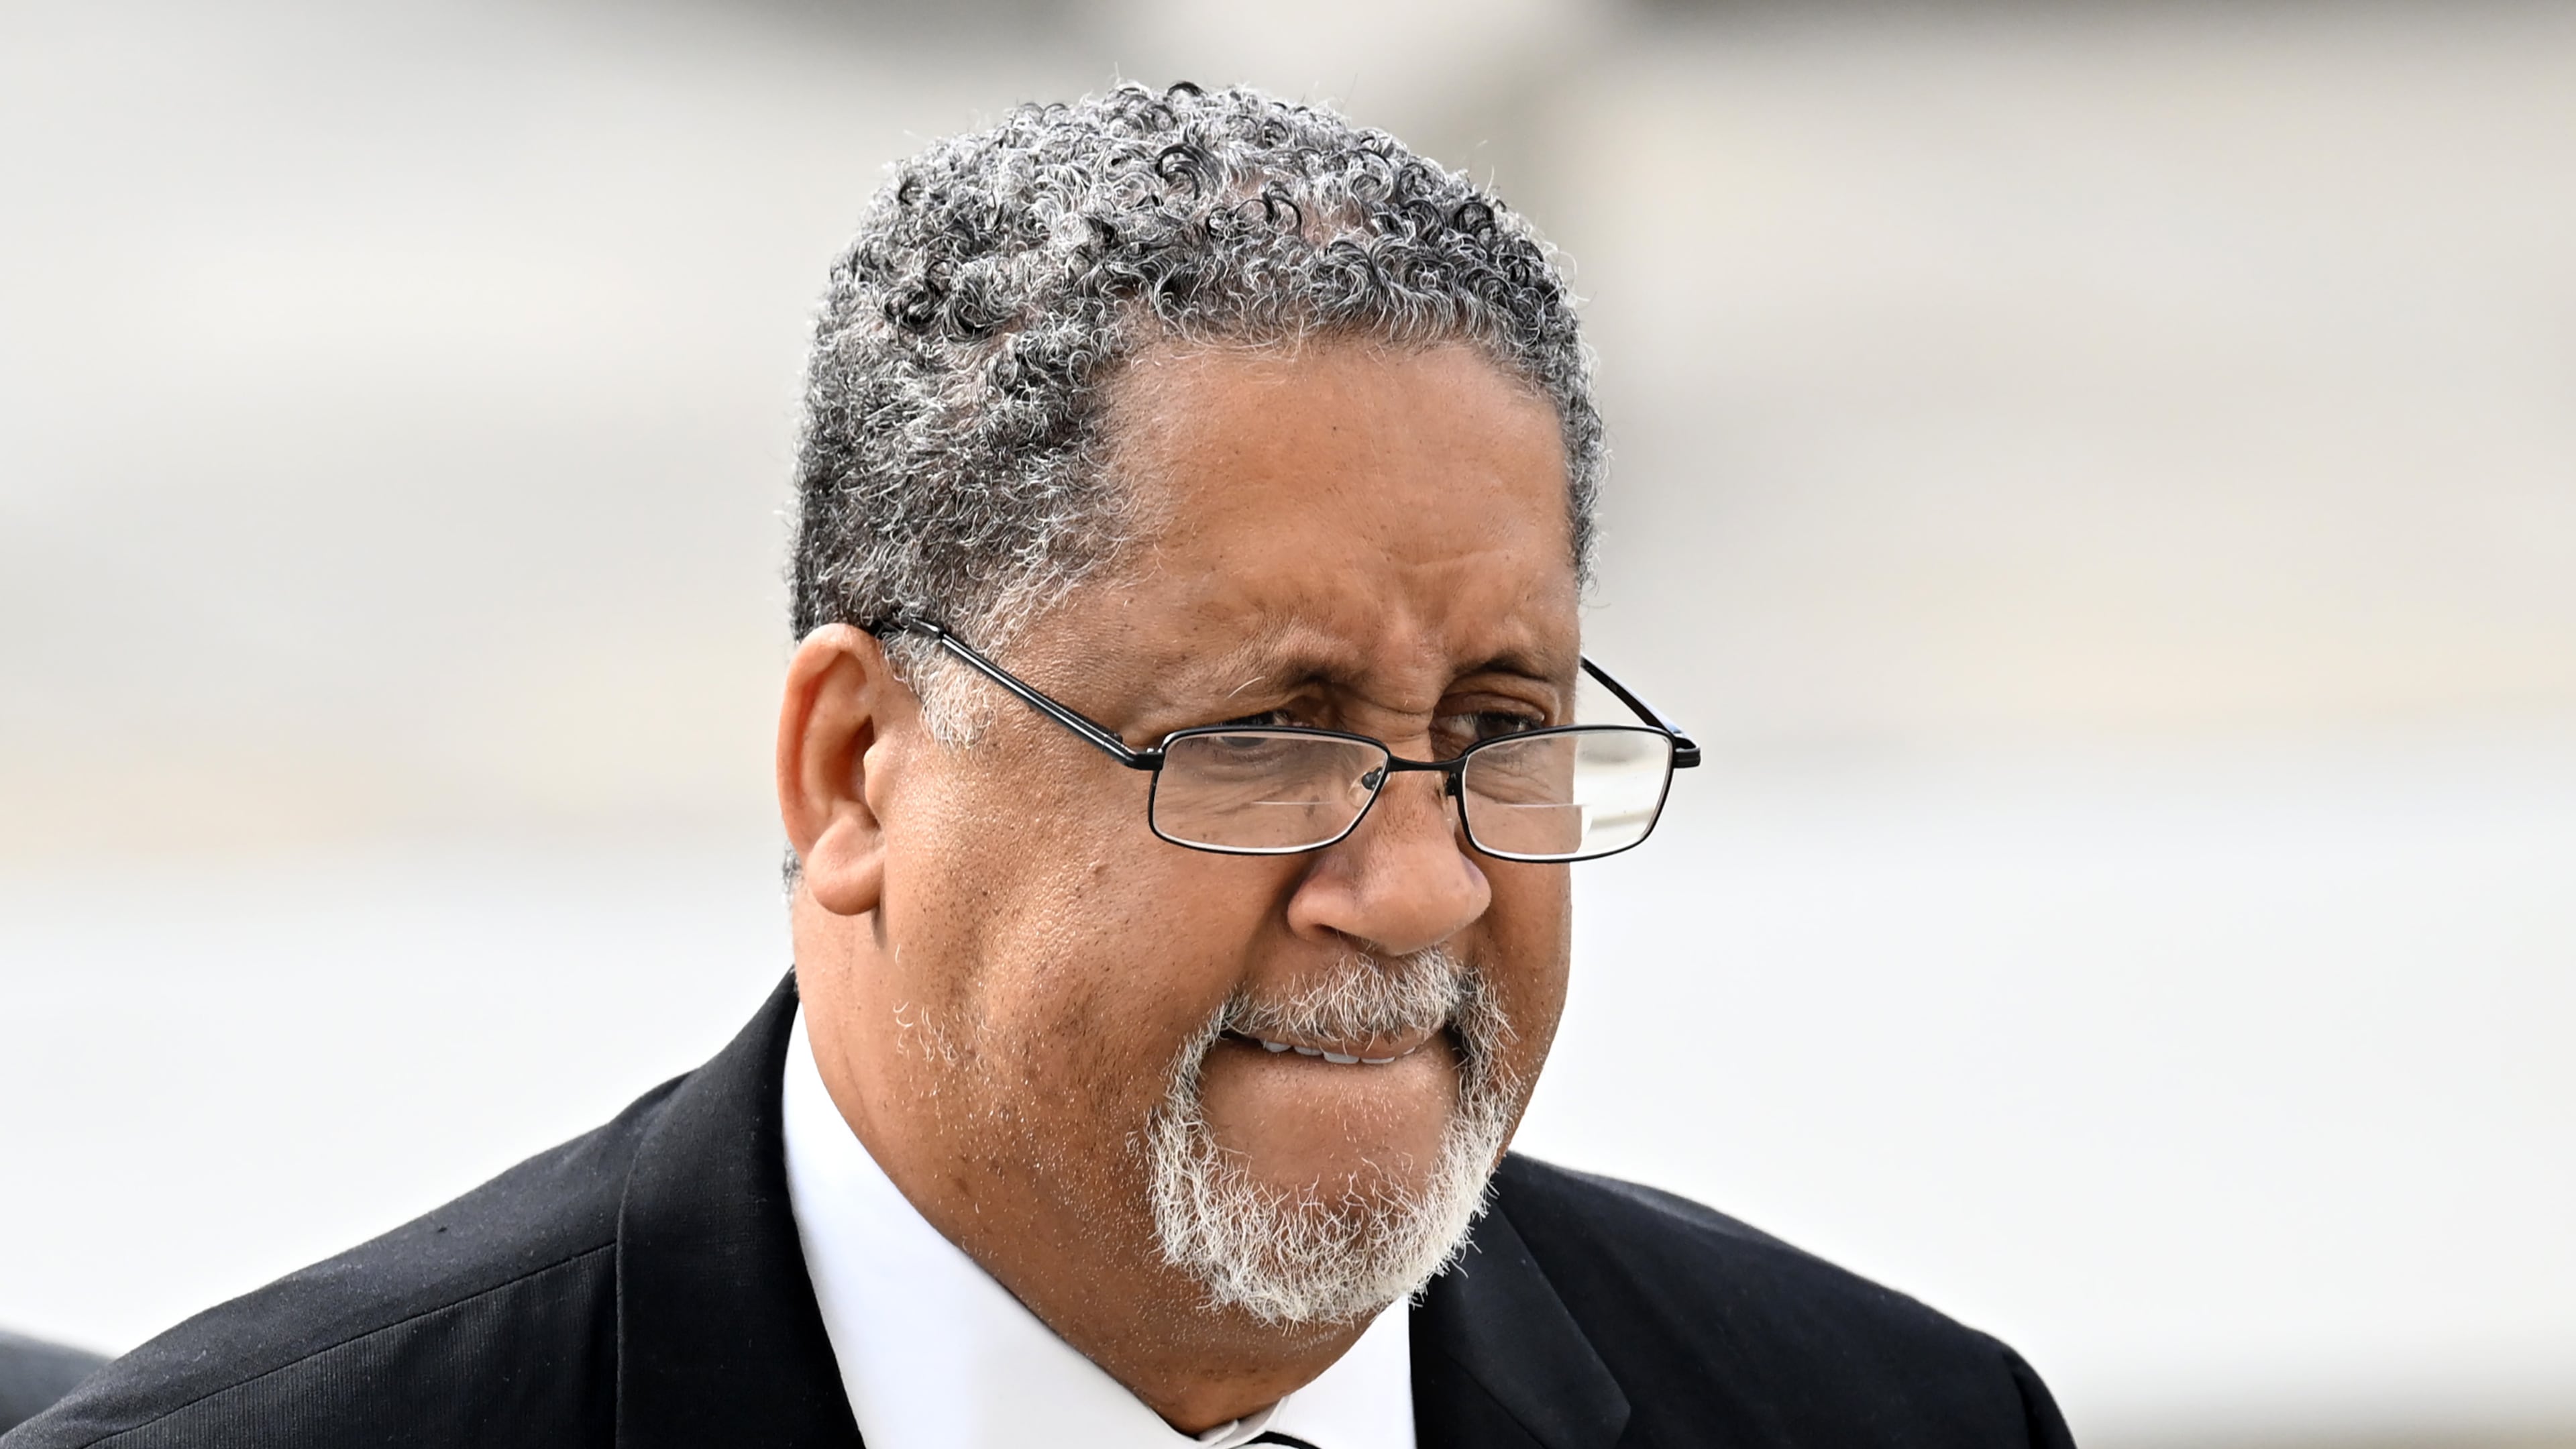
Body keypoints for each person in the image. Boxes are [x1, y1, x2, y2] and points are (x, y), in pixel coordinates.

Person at [7, 84, 2074, 1448]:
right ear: (856, 771)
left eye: (1499, 736)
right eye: (1270, 738)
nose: (1430, 883)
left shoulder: (1886, 1419)